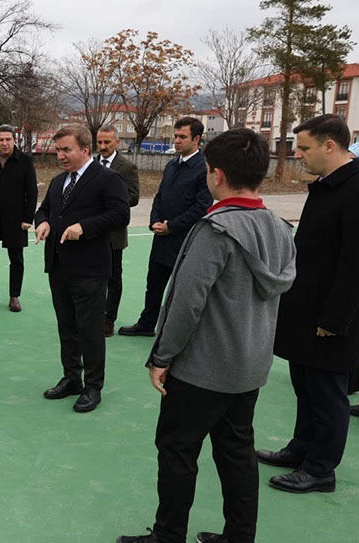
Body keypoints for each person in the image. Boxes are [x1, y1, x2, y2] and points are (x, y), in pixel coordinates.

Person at [118, 128, 296, 543]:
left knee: (178, 451)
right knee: (237, 454)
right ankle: (240, 536)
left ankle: (168, 536)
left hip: (202, 370)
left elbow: (185, 302)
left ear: (215, 174)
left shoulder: (214, 230)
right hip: (249, 368)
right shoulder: (277, 226)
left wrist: (161, 357)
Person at [257, 114, 359, 494]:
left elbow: (353, 264)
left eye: (304, 148)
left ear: (329, 146)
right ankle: (301, 449)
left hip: (332, 316)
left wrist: (334, 319)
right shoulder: (326, 186)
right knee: (305, 384)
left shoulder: (354, 188)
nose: (298, 155)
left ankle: (320, 468)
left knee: (328, 392)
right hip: (305, 309)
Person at [34, 125, 129, 413]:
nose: (60, 155)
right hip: (59, 266)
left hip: (89, 269)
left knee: (89, 330)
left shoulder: (107, 178)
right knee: (67, 327)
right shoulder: (58, 181)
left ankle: (93, 386)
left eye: (66, 150)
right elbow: (46, 209)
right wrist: (43, 222)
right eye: (58, 150)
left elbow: (120, 214)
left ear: (85, 150)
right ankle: (72, 377)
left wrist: (84, 228)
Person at [120, 117, 212, 337]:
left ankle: (176, 332)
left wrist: (172, 226)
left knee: (181, 290)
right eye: (176, 136)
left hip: (185, 240)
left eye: (182, 137)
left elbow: (202, 206)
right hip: (162, 237)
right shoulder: (172, 164)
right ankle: (146, 324)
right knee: (154, 284)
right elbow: (160, 196)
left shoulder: (204, 169)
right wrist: (155, 221)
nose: (177, 141)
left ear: (196, 139)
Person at [0, 125, 38, 312]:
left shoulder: (25, 162)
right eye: (1, 140)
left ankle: (14, 296)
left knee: (16, 259)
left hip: (16, 219)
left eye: (8, 139)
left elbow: (32, 191)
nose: (4, 143)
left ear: (14, 140)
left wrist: (28, 218)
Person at [95, 126, 140, 337]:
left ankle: (108, 318)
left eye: (107, 143)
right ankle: (93, 315)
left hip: (113, 233)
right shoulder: (90, 164)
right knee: (92, 277)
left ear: (117, 143)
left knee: (113, 278)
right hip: (92, 232)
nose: (103, 147)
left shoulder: (127, 167)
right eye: (100, 142)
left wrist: (111, 201)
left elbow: (134, 196)